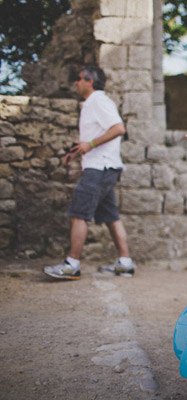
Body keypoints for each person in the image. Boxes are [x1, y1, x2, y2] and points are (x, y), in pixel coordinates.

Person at [43, 66, 135, 280]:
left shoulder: (98, 101)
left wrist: (91, 144)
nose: (76, 83)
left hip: (99, 168)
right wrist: (79, 150)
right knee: (111, 216)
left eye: (78, 79)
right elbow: (95, 138)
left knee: (79, 213)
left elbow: (118, 128)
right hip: (104, 166)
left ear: (89, 81)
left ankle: (72, 264)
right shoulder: (93, 103)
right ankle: (125, 262)